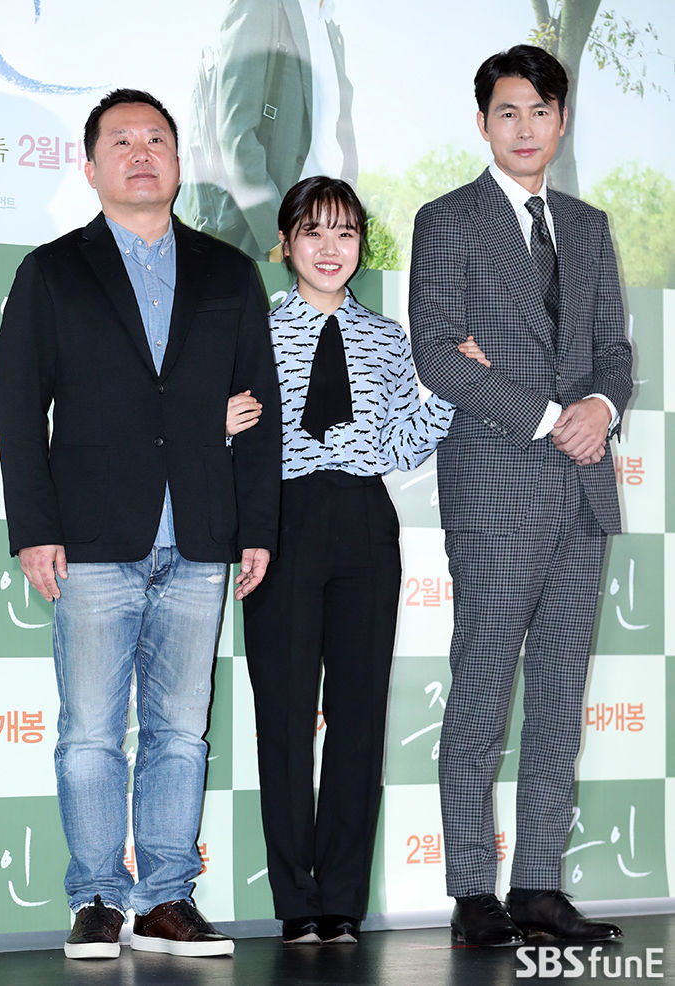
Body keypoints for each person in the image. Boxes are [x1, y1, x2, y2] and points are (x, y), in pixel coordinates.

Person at [0, 88, 281, 960]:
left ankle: (165, 897)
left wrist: (255, 527)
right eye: (121, 140)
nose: (141, 151)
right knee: (88, 730)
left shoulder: (229, 273)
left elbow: (256, 409)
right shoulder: (50, 272)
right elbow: (16, 408)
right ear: (90, 168)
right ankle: (94, 900)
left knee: (179, 732)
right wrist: (34, 527)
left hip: (199, 538)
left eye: (158, 138)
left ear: (180, 163)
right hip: (89, 540)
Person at [408, 45, 633, 947]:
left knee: (559, 698)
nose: (525, 126)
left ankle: (539, 885)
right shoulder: (448, 219)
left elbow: (615, 350)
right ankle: (472, 892)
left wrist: (602, 406)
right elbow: (435, 346)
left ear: (562, 119)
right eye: (508, 112)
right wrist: (548, 414)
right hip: (496, 487)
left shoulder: (588, 224)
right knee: (483, 689)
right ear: (483, 123)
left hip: (583, 491)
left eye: (540, 110)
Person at [242, 175, 487, 945]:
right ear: (285, 243)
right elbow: (231, 435)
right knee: (283, 719)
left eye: (344, 232)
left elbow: (402, 441)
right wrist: (213, 425)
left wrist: (456, 383)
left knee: (356, 720)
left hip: (362, 520)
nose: (329, 247)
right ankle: (295, 900)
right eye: (312, 231)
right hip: (278, 520)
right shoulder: (251, 331)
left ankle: (341, 899)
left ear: (360, 246)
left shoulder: (386, 337)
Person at [178, 0, 357, 261]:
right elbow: (235, 132)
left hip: (324, 237)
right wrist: (276, 237)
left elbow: (338, 137)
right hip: (267, 239)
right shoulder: (260, 5)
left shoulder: (332, 31)